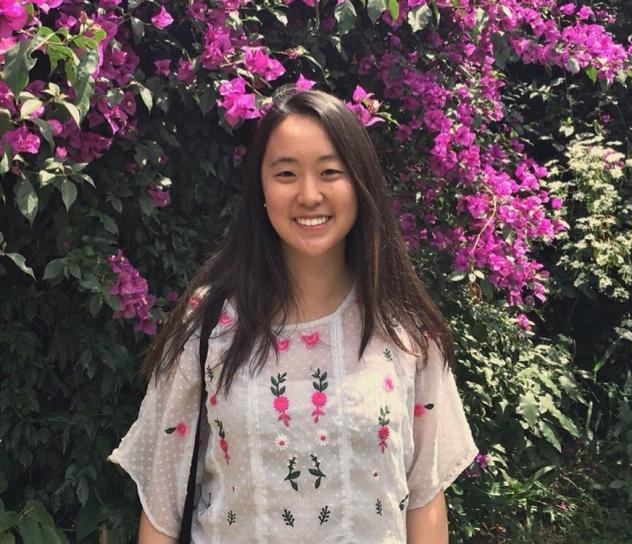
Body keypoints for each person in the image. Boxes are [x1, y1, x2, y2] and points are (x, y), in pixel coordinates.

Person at [108, 84, 478, 544]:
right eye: (286, 173)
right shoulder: (209, 324)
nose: (308, 195)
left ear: (360, 185)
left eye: (330, 172)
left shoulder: (405, 332)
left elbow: (424, 499)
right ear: (260, 189)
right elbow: (163, 509)